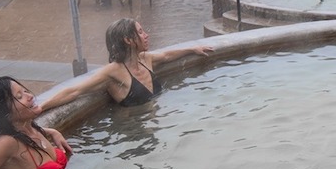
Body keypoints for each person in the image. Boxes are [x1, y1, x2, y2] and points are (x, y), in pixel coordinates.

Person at [42, 18, 212, 110]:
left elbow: (167, 55)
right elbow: (74, 91)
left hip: (157, 122)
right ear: (128, 40)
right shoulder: (113, 72)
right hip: (135, 135)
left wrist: (192, 49)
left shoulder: (145, 58)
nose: (146, 35)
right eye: (140, 32)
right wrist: (40, 107)